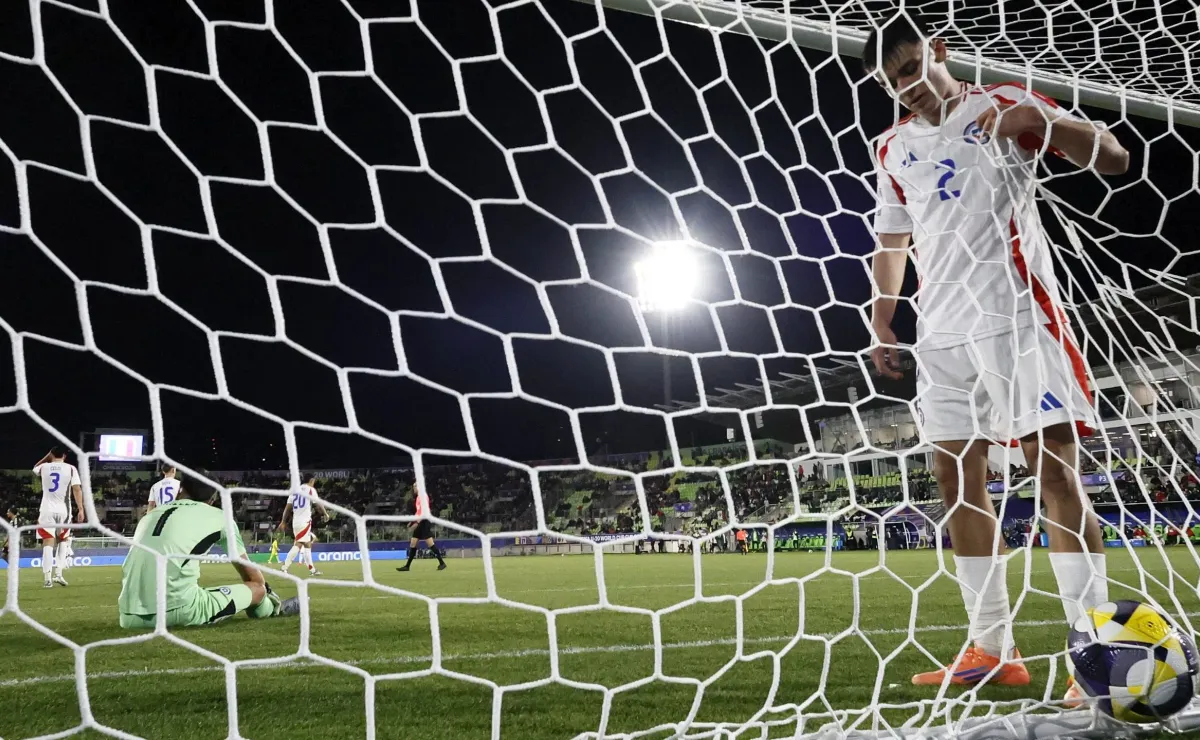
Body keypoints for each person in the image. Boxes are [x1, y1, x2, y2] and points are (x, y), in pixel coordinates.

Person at [863, 12, 1129, 694]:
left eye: (911, 69)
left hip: (1016, 317)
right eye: (892, 83)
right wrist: (883, 318)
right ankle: (991, 647)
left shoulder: (1003, 101)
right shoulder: (891, 147)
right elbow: (892, 240)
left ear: (938, 51)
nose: (906, 88)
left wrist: (1040, 125)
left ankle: (1093, 654)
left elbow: (1114, 156)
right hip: (941, 332)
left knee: (1056, 476)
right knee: (956, 485)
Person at [117, 472, 299, 628]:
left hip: (127, 616)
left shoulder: (149, 516)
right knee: (257, 589)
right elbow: (252, 578)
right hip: (177, 612)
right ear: (212, 499)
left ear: (180, 489)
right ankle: (275, 609)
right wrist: (265, 590)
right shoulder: (221, 517)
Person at [33, 447, 85, 588]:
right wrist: (81, 509)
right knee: (63, 540)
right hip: (63, 510)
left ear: (51, 454)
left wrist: (47, 456)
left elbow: (35, 468)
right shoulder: (71, 469)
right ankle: (59, 574)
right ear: (64, 455)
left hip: (46, 510)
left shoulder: (44, 467)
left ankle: (47, 579)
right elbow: (77, 489)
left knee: (48, 542)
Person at [278, 474, 328, 577]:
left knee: (307, 544)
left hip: (296, 522)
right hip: (304, 522)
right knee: (299, 544)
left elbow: (287, 508)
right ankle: (284, 567)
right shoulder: (310, 490)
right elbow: (318, 503)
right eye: (314, 481)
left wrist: (283, 521)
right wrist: (325, 513)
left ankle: (313, 570)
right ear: (311, 480)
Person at [397, 483, 446, 572]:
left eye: (415, 486)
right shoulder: (418, 498)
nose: (414, 488)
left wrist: (417, 522)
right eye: (413, 487)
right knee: (413, 543)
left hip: (424, 522)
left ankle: (442, 563)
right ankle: (407, 566)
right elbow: (418, 512)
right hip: (420, 521)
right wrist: (412, 521)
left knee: (430, 543)